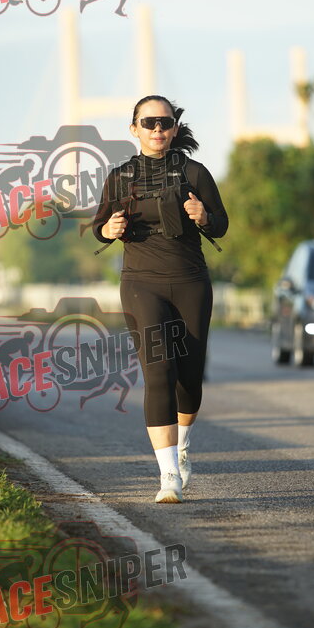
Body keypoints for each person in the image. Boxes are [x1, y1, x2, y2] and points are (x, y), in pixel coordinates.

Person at [92, 95, 228, 503]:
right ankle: (169, 475)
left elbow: (220, 224)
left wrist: (204, 217)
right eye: (148, 122)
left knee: (189, 380)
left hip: (190, 282)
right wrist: (109, 230)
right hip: (141, 284)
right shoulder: (120, 178)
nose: (157, 129)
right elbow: (99, 225)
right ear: (134, 129)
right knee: (158, 372)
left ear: (174, 128)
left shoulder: (194, 172)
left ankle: (181, 446)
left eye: (164, 122)